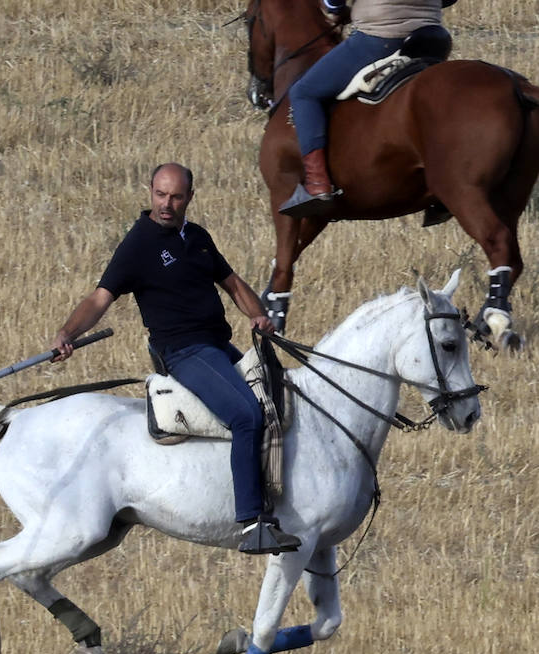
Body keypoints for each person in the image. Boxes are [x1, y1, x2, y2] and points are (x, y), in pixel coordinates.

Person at [52, 163, 300, 555]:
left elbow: (232, 283)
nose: (167, 204)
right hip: (184, 352)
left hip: (217, 346)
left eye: (176, 197)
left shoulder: (197, 237)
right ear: (150, 192)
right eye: (160, 195)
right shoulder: (137, 246)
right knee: (246, 415)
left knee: (279, 395)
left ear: (190, 198)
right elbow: (100, 298)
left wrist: (257, 314)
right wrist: (68, 333)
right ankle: (253, 523)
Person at [280, 0, 455, 217]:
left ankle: (317, 184)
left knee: (304, 93)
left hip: (381, 37)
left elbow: (332, 2)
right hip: (433, 38)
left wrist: (338, 10)